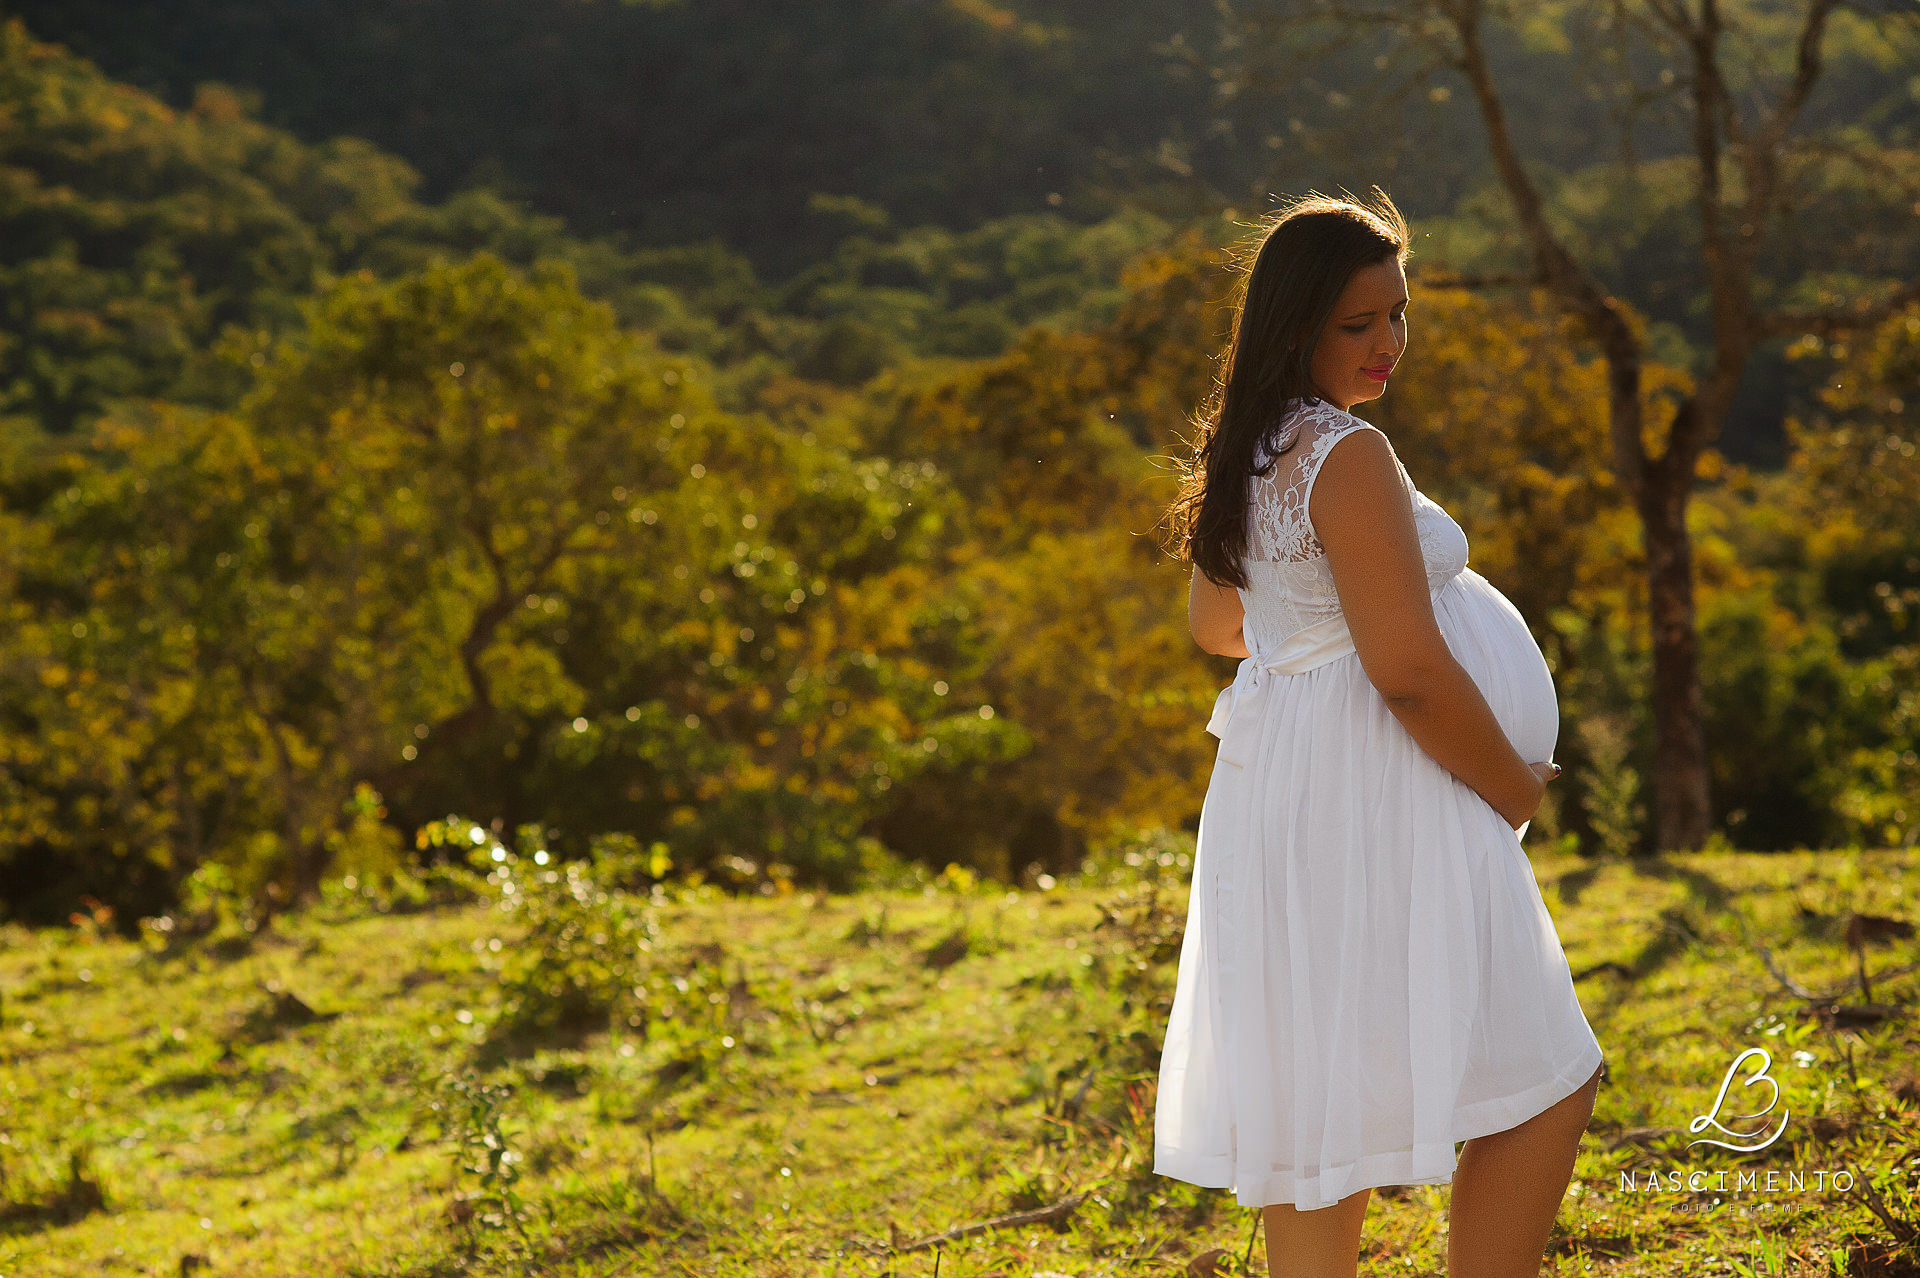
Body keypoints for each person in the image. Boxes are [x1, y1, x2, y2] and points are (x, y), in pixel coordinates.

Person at [1152, 189, 1607, 1278]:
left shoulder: (1248, 450)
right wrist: (1512, 790)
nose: (1387, 344)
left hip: (1289, 790)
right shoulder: (1342, 454)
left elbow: (1220, 628)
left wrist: (1307, 645)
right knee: (1544, 1073)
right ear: (1294, 325)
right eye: (1358, 324)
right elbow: (1407, 671)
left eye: (1398, 314)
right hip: (1390, 786)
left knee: (1318, 1110)